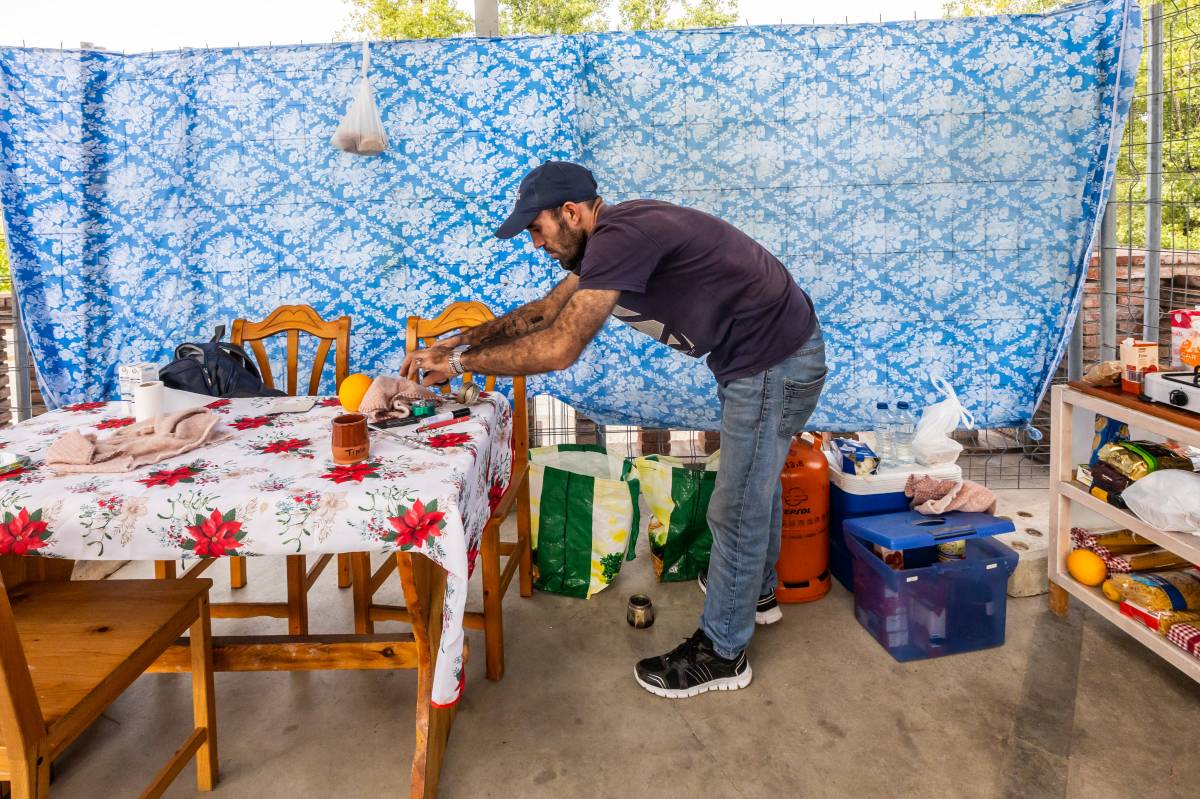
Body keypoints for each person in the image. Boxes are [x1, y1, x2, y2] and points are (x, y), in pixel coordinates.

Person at [402, 161, 826, 699]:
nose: (535, 243)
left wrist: (462, 368)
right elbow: (544, 313)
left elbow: (559, 348)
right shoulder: (609, 243)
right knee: (752, 486)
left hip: (774, 363)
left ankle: (723, 653)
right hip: (764, 358)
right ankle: (756, 596)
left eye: (537, 228)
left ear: (572, 212)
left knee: (736, 504)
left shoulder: (622, 237)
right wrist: (455, 346)